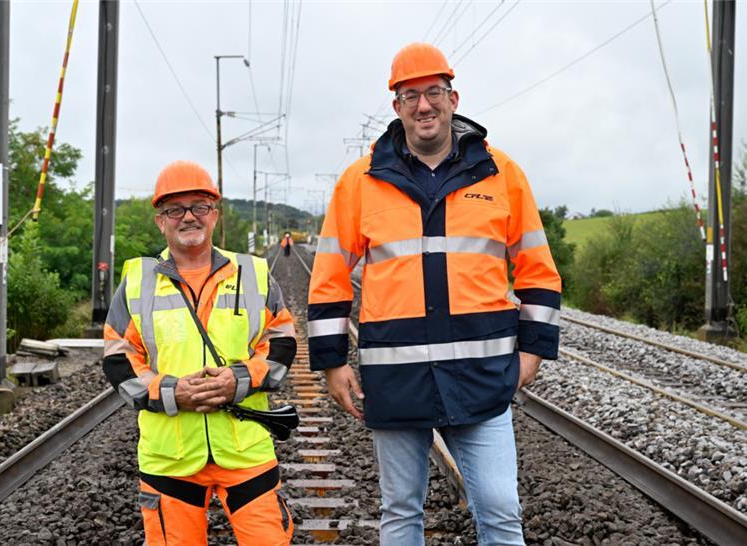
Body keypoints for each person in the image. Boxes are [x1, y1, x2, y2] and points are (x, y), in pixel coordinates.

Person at [307, 43, 561, 546]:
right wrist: (333, 362)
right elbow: (330, 276)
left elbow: (537, 269)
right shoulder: (359, 183)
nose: (423, 105)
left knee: (501, 509)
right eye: (410, 96)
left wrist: (532, 352)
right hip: (396, 379)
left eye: (433, 93)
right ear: (397, 106)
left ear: (453, 97)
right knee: (401, 512)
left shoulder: (500, 172)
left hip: (482, 378)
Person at [103, 160, 297, 546]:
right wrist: (172, 392)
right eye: (176, 209)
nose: (188, 217)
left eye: (199, 207)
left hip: (245, 450)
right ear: (161, 220)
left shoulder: (253, 273)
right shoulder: (137, 281)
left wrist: (239, 380)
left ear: (215, 215)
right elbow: (118, 359)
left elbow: (281, 342)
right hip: (169, 458)